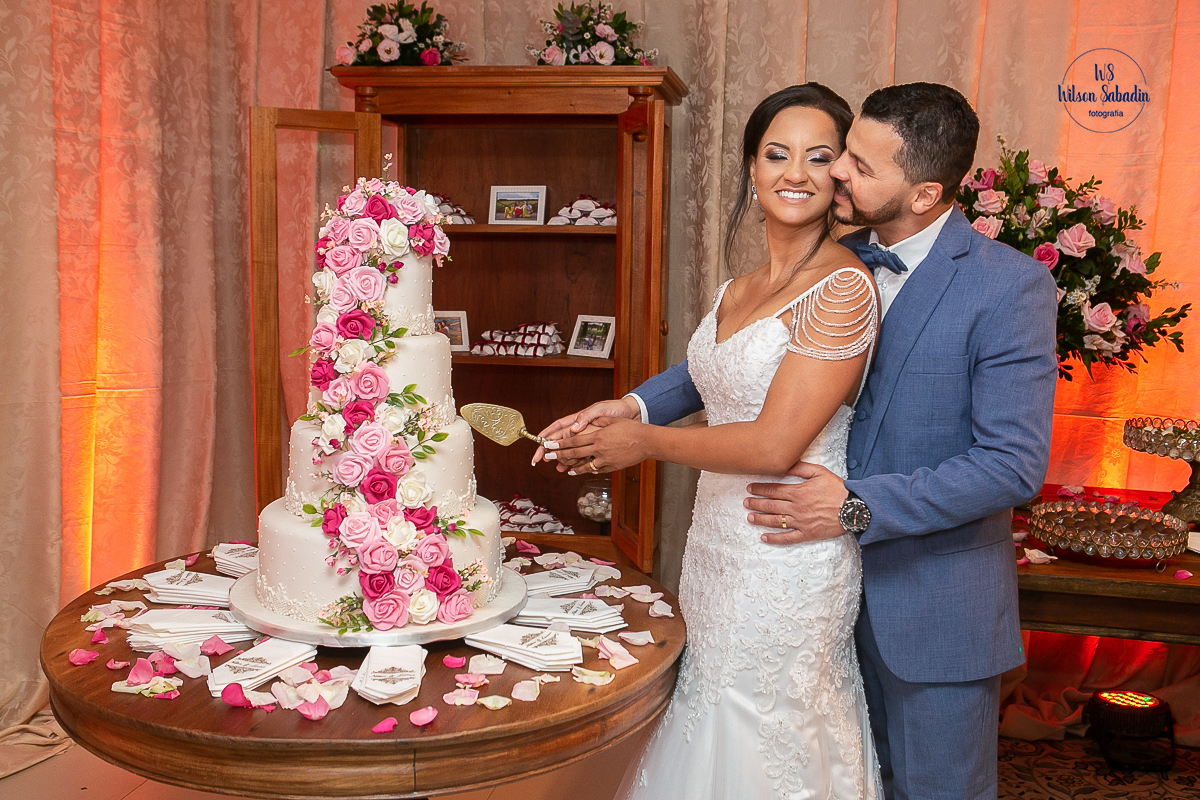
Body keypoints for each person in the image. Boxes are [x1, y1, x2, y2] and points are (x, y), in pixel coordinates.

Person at [538, 82, 1058, 800]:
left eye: (855, 166)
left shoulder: (1008, 288)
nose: (835, 174)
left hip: (928, 599)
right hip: (799, 573)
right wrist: (630, 402)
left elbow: (1011, 465)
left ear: (925, 194)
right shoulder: (835, 256)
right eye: (840, 155)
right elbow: (728, 365)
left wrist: (855, 509)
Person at [540, 83, 884, 798]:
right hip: (717, 546)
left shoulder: (844, 288)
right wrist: (626, 406)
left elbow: (771, 447)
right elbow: (711, 375)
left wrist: (647, 443)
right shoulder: (739, 287)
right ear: (751, 170)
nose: (795, 173)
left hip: (788, 553)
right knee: (709, 714)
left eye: (819, 157)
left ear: (842, 175)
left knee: (768, 727)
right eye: (776, 154)